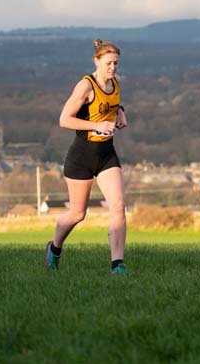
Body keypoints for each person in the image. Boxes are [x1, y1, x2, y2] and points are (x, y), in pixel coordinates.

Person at [44, 39, 129, 274]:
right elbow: (64, 119)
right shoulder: (85, 86)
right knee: (77, 214)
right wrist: (96, 125)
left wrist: (121, 113)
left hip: (106, 155)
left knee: (118, 206)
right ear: (96, 61)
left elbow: (111, 104)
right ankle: (54, 248)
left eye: (116, 63)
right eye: (109, 63)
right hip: (81, 157)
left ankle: (117, 265)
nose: (113, 67)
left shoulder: (114, 82)